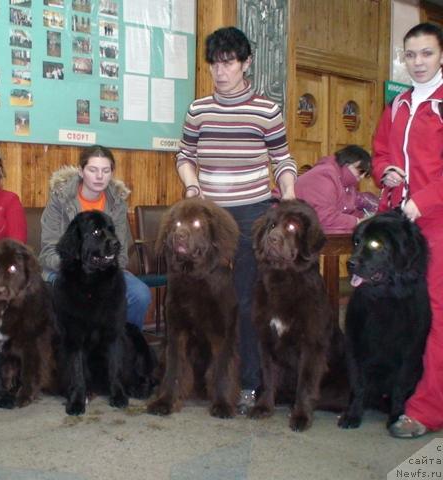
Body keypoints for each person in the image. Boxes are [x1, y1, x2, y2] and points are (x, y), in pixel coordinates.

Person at [175, 26, 297, 413]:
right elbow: (184, 156)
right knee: (205, 296)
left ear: (246, 63)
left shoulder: (266, 110)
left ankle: (248, 384)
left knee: (246, 301)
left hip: (252, 213)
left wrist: (290, 193)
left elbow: (282, 158)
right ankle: (203, 376)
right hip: (208, 215)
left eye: (228, 62)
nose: (220, 71)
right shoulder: (198, 109)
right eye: (214, 63)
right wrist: (193, 188)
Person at [372, 22, 443, 438]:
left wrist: (423, 201)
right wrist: (386, 172)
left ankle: (426, 409)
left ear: (441, 55)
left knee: (436, 315)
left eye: (427, 54)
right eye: (411, 55)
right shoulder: (397, 105)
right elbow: (380, 151)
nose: (417, 63)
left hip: (435, 223)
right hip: (402, 225)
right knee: (404, 314)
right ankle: (399, 392)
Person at [38, 144, 151, 331]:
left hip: (106, 270)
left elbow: (120, 250)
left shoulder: (117, 204)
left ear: (112, 173)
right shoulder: (60, 199)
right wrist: (79, 270)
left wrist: (102, 272)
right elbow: (48, 251)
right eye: (93, 170)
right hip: (67, 269)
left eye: (105, 171)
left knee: (140, 295)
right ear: (82, 171)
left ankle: (123, 344)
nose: (100, 176)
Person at [292, 145, 374, 233]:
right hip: (292, 230)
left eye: (365, 174)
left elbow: (347, 211)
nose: (361, 177)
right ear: (348, 163)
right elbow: (324, 218)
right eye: (360, 171)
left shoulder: (347, 182)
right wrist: (357, 221)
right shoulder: (324, 176)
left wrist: (366, 219)